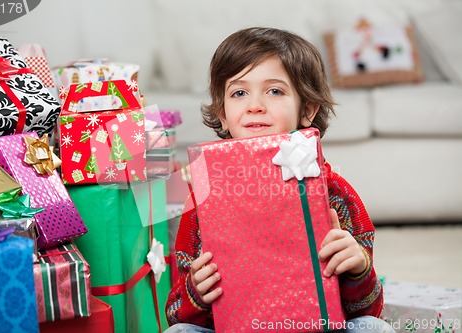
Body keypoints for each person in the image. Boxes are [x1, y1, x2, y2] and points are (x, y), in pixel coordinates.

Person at [164, 27, 395, 333]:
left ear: (307, 110)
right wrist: (196, 291)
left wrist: (358, 268)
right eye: (239, 92)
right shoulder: (203, 198)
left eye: (274, 91)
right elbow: (175, 313)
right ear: (222, 114)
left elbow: (368, 309)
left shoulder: (334, 193)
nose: (255, 105)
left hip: (319, 325)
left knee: (375, 329)